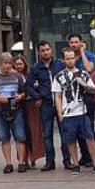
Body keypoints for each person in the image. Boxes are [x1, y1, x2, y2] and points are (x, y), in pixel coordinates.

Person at [53, 48, 95, 175]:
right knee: (70, 140)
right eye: (67, 58)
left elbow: (93, 89)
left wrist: (84, 85)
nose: (70, 61)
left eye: (72, 58)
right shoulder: (59, 77)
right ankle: (75, 163)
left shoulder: (83, 74)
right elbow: (57, 96)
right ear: (64, 60)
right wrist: (60, 114)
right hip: (68, 113)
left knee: (90, 137)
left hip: (82, 111)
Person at [0, 52, 29, 173]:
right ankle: (8, 163)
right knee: (4, 137)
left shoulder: (18, 76)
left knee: (20, 136)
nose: (8, 66)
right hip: (0, 110)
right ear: (0, 63)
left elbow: (25, 92)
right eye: (5, 63)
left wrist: (20, 96)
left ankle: (21, 162)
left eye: (10, 63)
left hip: (16, 109)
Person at [29, 41, 65, 171]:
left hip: (61, 102)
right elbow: (28, 85)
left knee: (64, 132)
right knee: (48, 134)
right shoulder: (35, 68)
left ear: (51, 50)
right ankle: (50, 161)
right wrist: (37, 96)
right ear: (39, 52)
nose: (45, 52)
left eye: (47, 49)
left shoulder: (60, 64)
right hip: (46, 103)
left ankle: (67, 160)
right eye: (42, 50)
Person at [14, 55, 44, 168]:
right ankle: (23, 159)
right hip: (19, 106)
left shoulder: (29, 75)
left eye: (20, 64)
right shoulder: (12, 76)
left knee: (34, 132)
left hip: (31, 105)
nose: (18, 66)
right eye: (16, 64)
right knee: (22, 134)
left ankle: (33, 158)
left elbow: (33, 87)